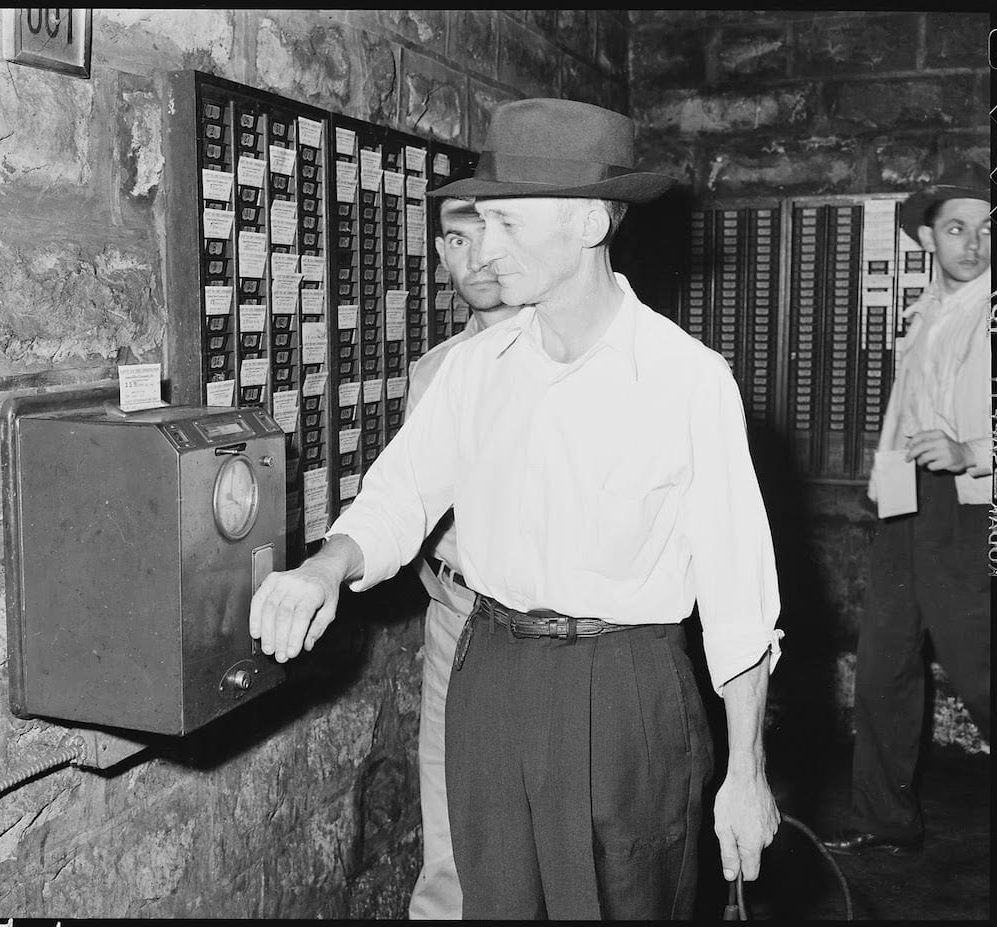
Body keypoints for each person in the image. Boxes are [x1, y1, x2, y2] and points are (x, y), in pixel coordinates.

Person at [250, 98, 783, 919]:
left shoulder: (685, 380)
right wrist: (327, 566)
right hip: (491, 671)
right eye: (480, 224)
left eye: (505, 224)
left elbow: (738, 597)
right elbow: (399, 492)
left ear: (589, 223)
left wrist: (745, 774)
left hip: (624, 692)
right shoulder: (477, 370)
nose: (485, 252)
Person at [823, 163, 991, 857]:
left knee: (979, 667)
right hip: (904, 500)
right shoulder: (926, 310)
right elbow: (907, 408)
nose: (974, 244)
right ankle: (884, 817)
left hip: (968, 504)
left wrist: (973, 447)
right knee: (884, 661)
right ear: (929, 235)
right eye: (957, 228)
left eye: (987, 231)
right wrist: (881, 480)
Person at [407, 196, 520, 920]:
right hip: (453, 612)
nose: (473, 258)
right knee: (446, 822)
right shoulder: (435, 369)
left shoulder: (564, 360)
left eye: (488, 238)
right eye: (455, 240)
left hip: (538, 623)